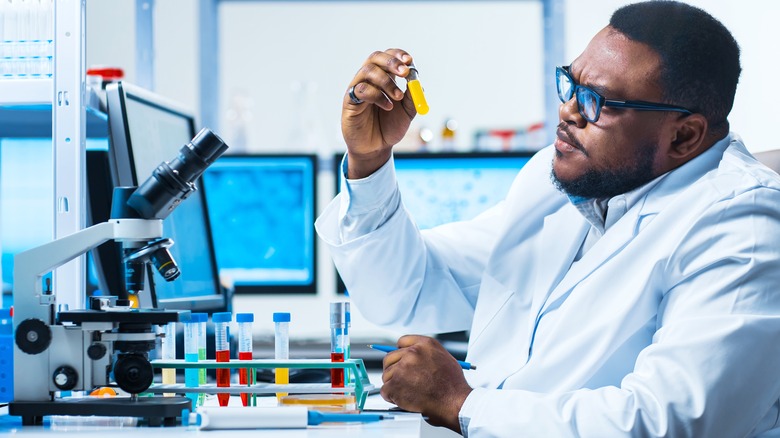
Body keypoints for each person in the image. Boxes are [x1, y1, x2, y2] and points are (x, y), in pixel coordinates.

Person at [315, 1, 780, 436]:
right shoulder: (564, 179)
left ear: (685, 136)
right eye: (569, 83)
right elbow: (409, 290)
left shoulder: (742, 222)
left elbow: (670, 419)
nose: (567, 111)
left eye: (598, 102)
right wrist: (370, 161)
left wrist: (462, 404)